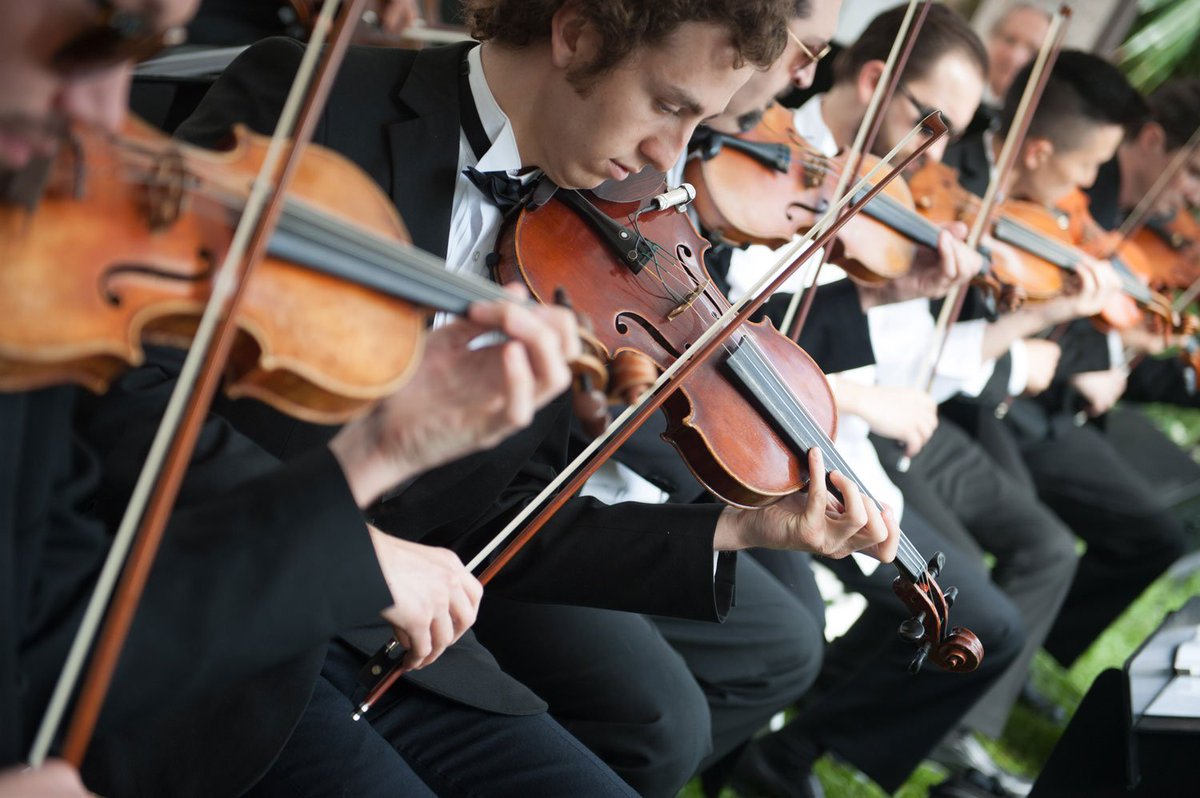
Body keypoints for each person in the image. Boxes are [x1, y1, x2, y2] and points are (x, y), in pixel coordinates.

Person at [168, 1, 916, 796]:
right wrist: (354, 552)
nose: (672, 158)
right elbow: (129, 396)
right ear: (579, 34)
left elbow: (505, 518)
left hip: (395, 649)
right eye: (668, 105)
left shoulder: (578, 240)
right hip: (227, 610)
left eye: (701, 121)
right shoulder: (316, 99)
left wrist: (742, 525)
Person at [0, 0, 594, 794]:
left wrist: (375, 455)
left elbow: (56, 634)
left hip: (315, 616)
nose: (104, 126)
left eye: (140, 50)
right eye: (98, 39)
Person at [946, 51, 1191, 670]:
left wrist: (1124, 346)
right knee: (1030, 535)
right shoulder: (1004, 187)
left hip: (1027, 397)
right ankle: (987, 670)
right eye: (1194, 173)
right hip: (995, 400)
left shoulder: (1073, 203)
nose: (1194, 199)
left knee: (1146, 533)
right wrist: (1107, 346)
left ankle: (1009, 659)